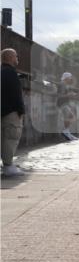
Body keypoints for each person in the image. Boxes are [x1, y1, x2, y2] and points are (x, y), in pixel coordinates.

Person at [1, 48, 26, 176]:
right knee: (11, 138)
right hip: (11, 112)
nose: (17, 59)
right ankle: (8, 166)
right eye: (16, 56)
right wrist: (21, 110)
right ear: (10, 58)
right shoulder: (11, 73)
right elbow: (16, 94)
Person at [57, 72, 78, 140]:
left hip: (65, 103)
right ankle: (66, 131)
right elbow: (59, 95)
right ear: (66, 78)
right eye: (70, 78)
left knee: (69, 117)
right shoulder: (62, 84)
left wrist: (70, 95)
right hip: (62, 103)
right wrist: (69, 95)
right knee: (71, 116)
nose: (70, 80)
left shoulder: (64, 85)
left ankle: (67, 132)